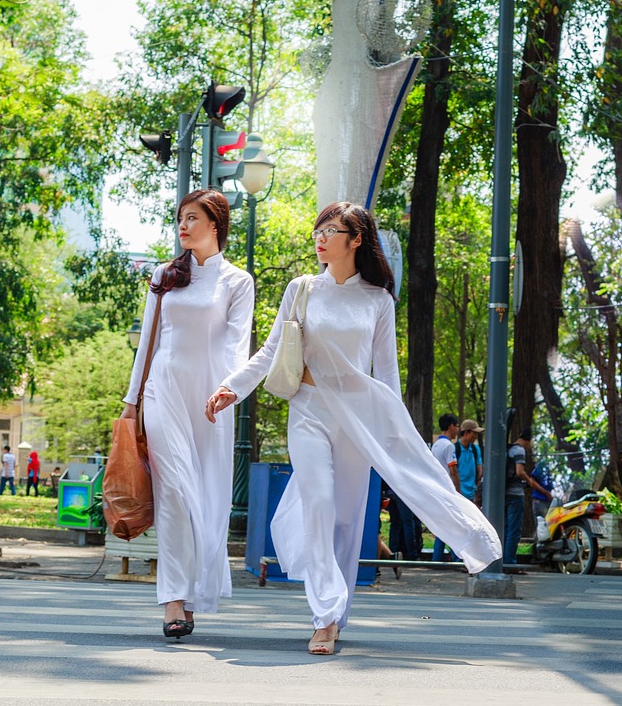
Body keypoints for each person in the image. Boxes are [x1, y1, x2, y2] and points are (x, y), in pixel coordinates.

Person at [207, 202, 500, 656]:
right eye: (317, 229)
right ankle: (324, 614)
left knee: (345, 520)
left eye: (331, 229)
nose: (320, 237)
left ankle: (337, 614)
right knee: (319, 503)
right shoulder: (301, 289)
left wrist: (396, 437)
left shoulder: (378, 300)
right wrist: (232, 387)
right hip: (307, 410)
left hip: (358, 419)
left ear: (356, 238)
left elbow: (386, 375)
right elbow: (270, 352)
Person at [120, 188, 254, 640]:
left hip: (211, 401)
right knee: (174, 491)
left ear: (215, 224)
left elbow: (239, 344)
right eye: (179, 218)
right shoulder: (165, 275)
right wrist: (131, 399)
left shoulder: (237, 282)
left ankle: (194, 592)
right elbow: (149, 341)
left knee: (207, 501)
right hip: (164, 390)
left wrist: (230, 389)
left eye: (192, 217)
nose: (183, 225)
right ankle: (173, 599)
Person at [504, 429, 547, 565]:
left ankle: (504, 561)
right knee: (514, 531)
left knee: (505, 529)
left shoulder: (509, 449)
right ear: (528, 441)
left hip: (505, 493)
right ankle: (510, 562)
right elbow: (519, 471)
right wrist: (529, 481)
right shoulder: (520, 450)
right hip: (515, 495)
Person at [429, 413, 460, 562]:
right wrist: (457, 490)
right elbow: (453, 470)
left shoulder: (436, 445)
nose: (457, 430)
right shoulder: (448, 446)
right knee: (453, 524)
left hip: (437, 489)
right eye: (457, 426)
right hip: (447, 490)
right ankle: (456, 558)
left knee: (442, 525)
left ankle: (437, 557)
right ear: (451, 426)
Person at [456, 420, 484, 506]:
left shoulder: (476, 450)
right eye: (474, 433)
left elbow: (479, 471)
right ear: (466, 433)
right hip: (458, 495)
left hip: (472, 495)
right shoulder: (455, 449)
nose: (476, 436)